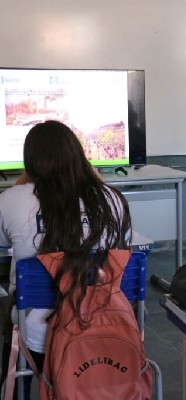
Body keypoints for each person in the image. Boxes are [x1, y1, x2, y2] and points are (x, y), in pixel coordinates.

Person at [0, 120, 131, 399]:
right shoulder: (112, 199)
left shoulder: (12, 199)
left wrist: (23, 183)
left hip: (36, 338)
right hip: (105, 329)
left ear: (30, 162)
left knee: (12, 317)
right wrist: (97, 184)